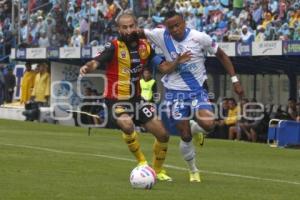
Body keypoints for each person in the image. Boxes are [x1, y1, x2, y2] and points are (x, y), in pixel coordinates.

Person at [138, 10, 244, 182]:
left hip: (197, 90)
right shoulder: (159, 35)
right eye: (171, 27)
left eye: (177, 25)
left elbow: (221, 55)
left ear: (184, 23)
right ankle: (193, 170)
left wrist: (235, 80)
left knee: (209, 124)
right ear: (166, 28)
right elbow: (137, 32)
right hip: (174, 93)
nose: (175, 29)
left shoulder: (199, 37)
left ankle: (197, 128)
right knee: (185, 135)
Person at [79, 13, 172, 181]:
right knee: (127, 124)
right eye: (125, 27)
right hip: (115, 99)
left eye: (131, 26)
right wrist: (87, 67)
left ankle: (158, 171)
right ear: (119, 29)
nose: (129, 30)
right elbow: (96, 61)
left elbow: (164, 67)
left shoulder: (146, 47)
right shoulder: (113, 46)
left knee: (163, 134)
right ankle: (142, 162)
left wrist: (179, 61)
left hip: (136, 99)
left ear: (136, 26)